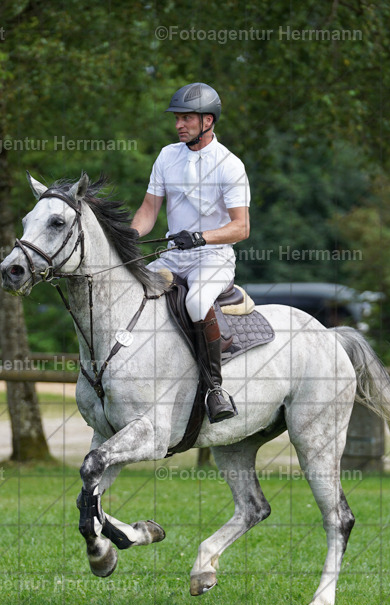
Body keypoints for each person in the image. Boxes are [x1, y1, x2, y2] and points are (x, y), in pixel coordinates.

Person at [131, 82, 250, 423]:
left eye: (186, 118)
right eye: (177, 118)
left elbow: (241, 227)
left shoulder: (230, 165)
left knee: (196, 303)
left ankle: (215, 388)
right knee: (133, 289)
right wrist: (125, 236)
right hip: (173, 255)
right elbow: (149, 211)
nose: (178, 124)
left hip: (213, 257)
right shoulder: (167, 156)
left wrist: (200, 237)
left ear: (208, 120)